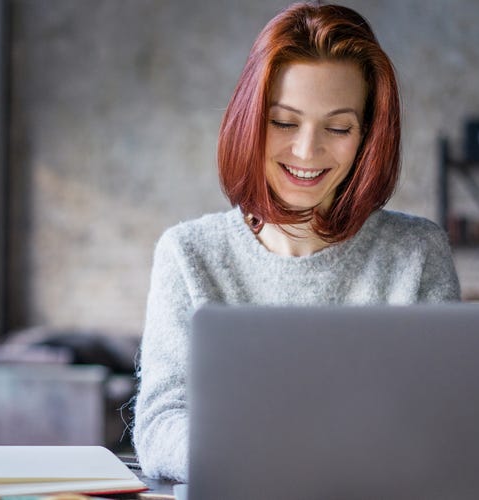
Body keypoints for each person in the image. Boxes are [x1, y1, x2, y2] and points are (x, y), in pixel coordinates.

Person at [132, 2, 460, 482]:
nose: (307, 151)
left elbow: (446, 426)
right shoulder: (189, 255)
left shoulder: (416, 255)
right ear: (250, 120)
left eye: (339, 127)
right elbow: (162, 423)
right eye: (284, 122)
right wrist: (260, 460)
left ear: (368, 136)